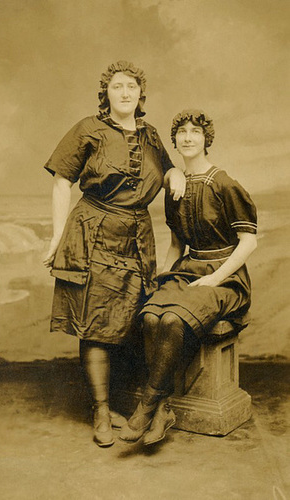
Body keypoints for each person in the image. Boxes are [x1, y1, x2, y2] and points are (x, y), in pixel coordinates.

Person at [43, 61, 186, 447]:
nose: (125, 93)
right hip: (95, 234)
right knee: (96, 323)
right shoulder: (89, 129)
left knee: (137, 320)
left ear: (141, 95)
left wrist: (175, 174)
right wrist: (57, 237)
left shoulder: (152, 135)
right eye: (117, 86)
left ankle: (151, 408)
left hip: (138, 237)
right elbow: (61, 181)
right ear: (106, 93)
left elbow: (168, 168)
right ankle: (102, 410)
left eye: (132, 87)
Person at [119, 108, 257, 446]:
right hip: (188, 268)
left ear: (206, 139)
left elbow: (249, 241)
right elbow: (177, 243)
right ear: (175, 140)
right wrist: (164, 277)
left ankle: (149, 403)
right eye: (182, 132)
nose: (188, 138)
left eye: (195, 132)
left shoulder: (224, 183)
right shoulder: (175, 186)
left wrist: (215, 279)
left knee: (175, 320)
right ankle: (164, 408)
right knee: (152, 315)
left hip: (227, 277)